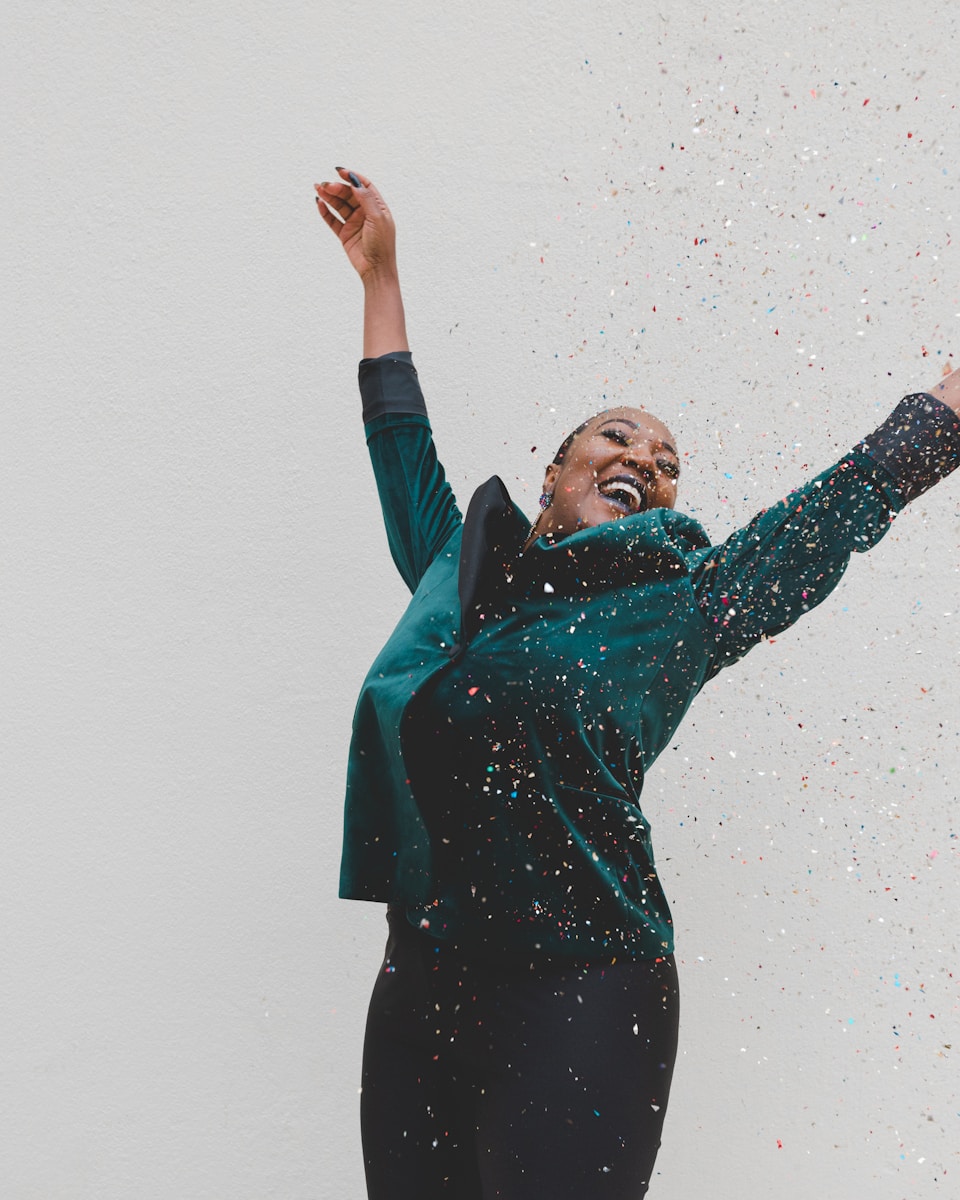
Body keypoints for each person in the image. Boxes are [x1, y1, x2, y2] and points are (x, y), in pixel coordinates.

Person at [315, 166, 960, 1199]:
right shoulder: (457, 574)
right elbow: (400, 445)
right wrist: (380, 276)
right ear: (555, 473)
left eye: (667, 463)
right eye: (617, 436)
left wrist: (950, 404)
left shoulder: (684, 607)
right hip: (422, 984)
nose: (647, 462)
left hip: (584, 994)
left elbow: (833, 512)